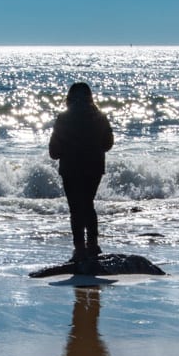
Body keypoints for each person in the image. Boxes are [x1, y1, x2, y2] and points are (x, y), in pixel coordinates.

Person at [48, 82, 114, 261]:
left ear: (69, 98)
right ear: (90, 97)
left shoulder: (63, 118)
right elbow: (108, 144)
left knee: (75, 209)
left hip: (70, 168)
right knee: (88, 205)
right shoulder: (99, 117)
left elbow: (54, 152)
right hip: (94, 167)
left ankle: (79, 249)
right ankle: (92, 245)